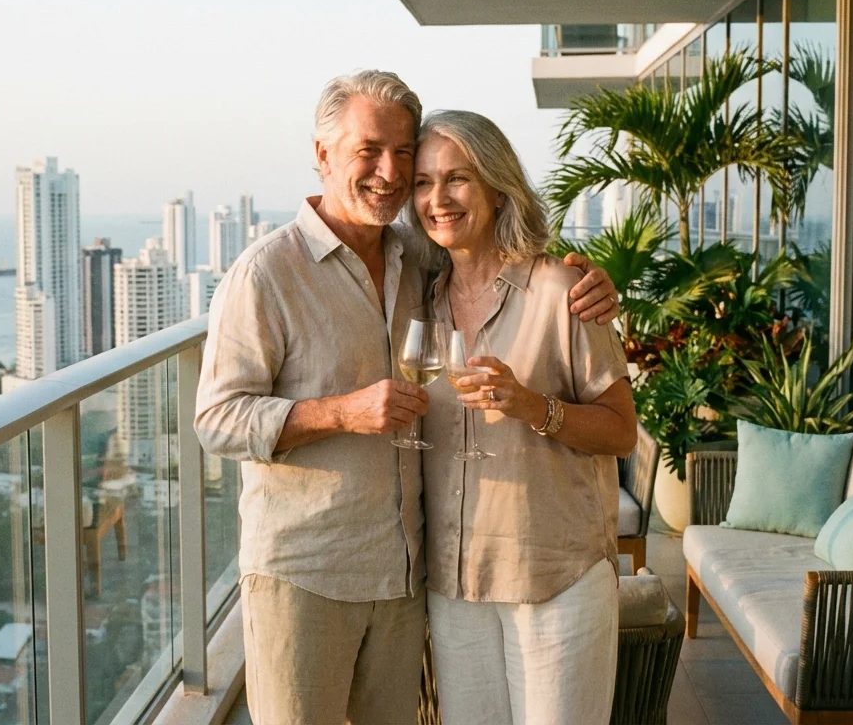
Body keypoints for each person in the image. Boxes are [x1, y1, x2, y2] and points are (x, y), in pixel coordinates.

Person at [194, 71, 620, 725]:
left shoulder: (414, 262)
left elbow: (500, 257)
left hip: (405, 579)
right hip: (307, 576)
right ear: (323, 153)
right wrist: (344, 412)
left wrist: (589, 280)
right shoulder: (266, 274)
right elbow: (217, 422)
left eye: (407, 159)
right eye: (371, 151)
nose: (393, 175)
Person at [411, 109, 637, 725]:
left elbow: (621, 431)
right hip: (456, 583)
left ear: (496, 185)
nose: (439, 199)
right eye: (423, 182)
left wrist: (532, 406)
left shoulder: (562, 290)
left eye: (457, 178)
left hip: (553, 575)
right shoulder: (420, 301)